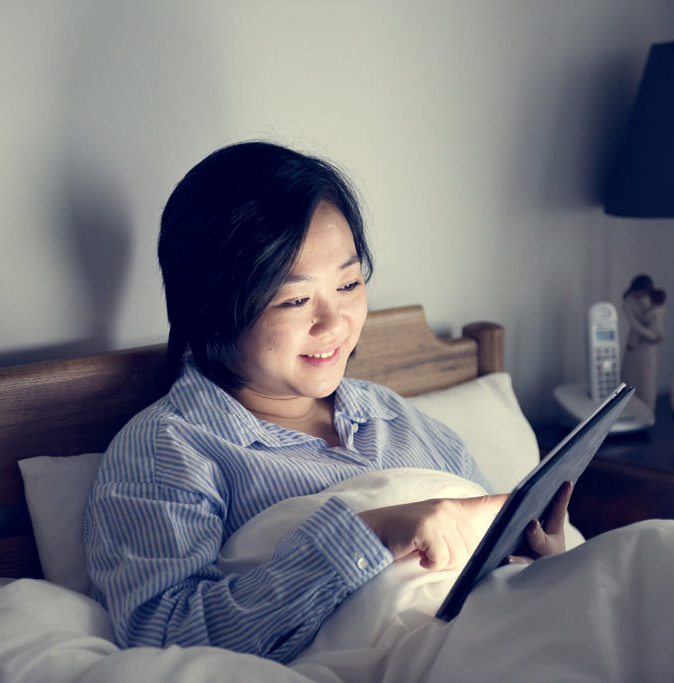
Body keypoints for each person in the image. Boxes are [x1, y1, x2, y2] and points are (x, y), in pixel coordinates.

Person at [83, 141, 570, 664]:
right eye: (295, 299)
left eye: (349, 282)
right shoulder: (169, 448)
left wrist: (543, 557)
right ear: (211, 310)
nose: (335, 322)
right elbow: (164, 638)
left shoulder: (393, 417)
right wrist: (373, 532)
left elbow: (491, 553)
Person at [620, 274, 666, 412]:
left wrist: (655, 335)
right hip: (636, 344)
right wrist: (653, 335)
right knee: (630, 376)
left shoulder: (646, 300)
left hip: (648, 345)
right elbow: (635, 325)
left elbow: (653, 318)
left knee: (647, 378)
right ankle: (626, 409)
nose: (645, 296)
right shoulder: (628, 302)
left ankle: (647, 409)